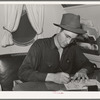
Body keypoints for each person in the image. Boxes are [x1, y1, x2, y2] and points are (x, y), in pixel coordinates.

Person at [18, 13, 95, 84]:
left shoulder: (73, 47)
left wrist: (83, 70)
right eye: (67, 36)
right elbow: (22, 73)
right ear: (59, 30)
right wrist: (52, 77)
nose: (68, 42)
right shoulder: (40, 45)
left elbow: (89, 64)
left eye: (72, 39)